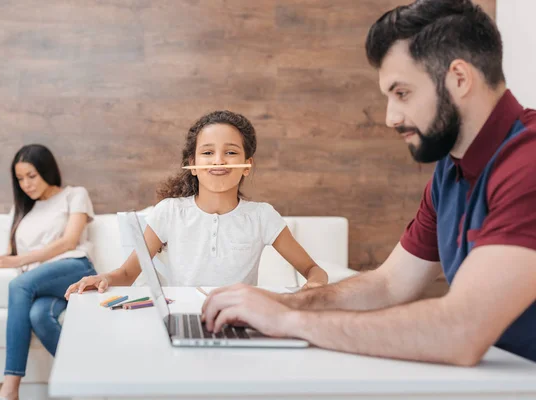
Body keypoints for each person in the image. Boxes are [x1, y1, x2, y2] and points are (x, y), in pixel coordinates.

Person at [201, 0, 536, 366]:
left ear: (459, 78)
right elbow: (389, 284)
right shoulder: (450, 170)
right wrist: (285, 302)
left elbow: (461, 331)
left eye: (402, 93)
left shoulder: (528, 163)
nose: (391, 117)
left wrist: (287, 321)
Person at [65, 110, 328, 299]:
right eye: (207, 152)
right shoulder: (169, 212)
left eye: (231, 152)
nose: (218, 161)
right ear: (192, 164)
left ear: (247, 165)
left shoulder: (262, 216)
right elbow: (127, 272)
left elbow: (312, 269)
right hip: (182, 317)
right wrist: (104, 278)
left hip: (239, 317)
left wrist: (316, 283)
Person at [0, 144, 97, 400]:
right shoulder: (22, 209)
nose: (26, 184)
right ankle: (85, 383)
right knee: (39, 315)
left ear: (47, 170)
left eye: (31, 176)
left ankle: (9, 389)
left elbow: (69, 242)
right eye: (20, 179)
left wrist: (18, 261)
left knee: (18, 286)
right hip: (40, 281)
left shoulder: (75, 195)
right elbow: (13, 254)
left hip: (74, 268)